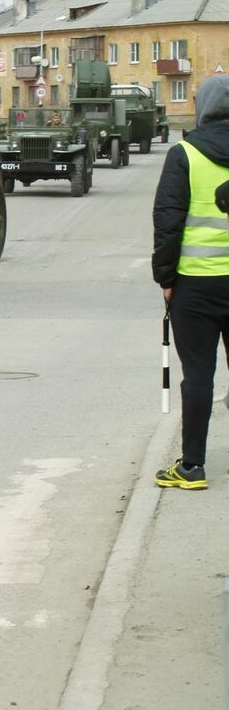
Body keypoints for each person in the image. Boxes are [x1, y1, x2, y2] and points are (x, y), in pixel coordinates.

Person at [152, 77, 229, 490]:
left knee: (198, 375)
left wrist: (165, 277)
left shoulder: (184, 153)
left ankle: (192, 467)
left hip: (196, 286)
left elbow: (168, 220)